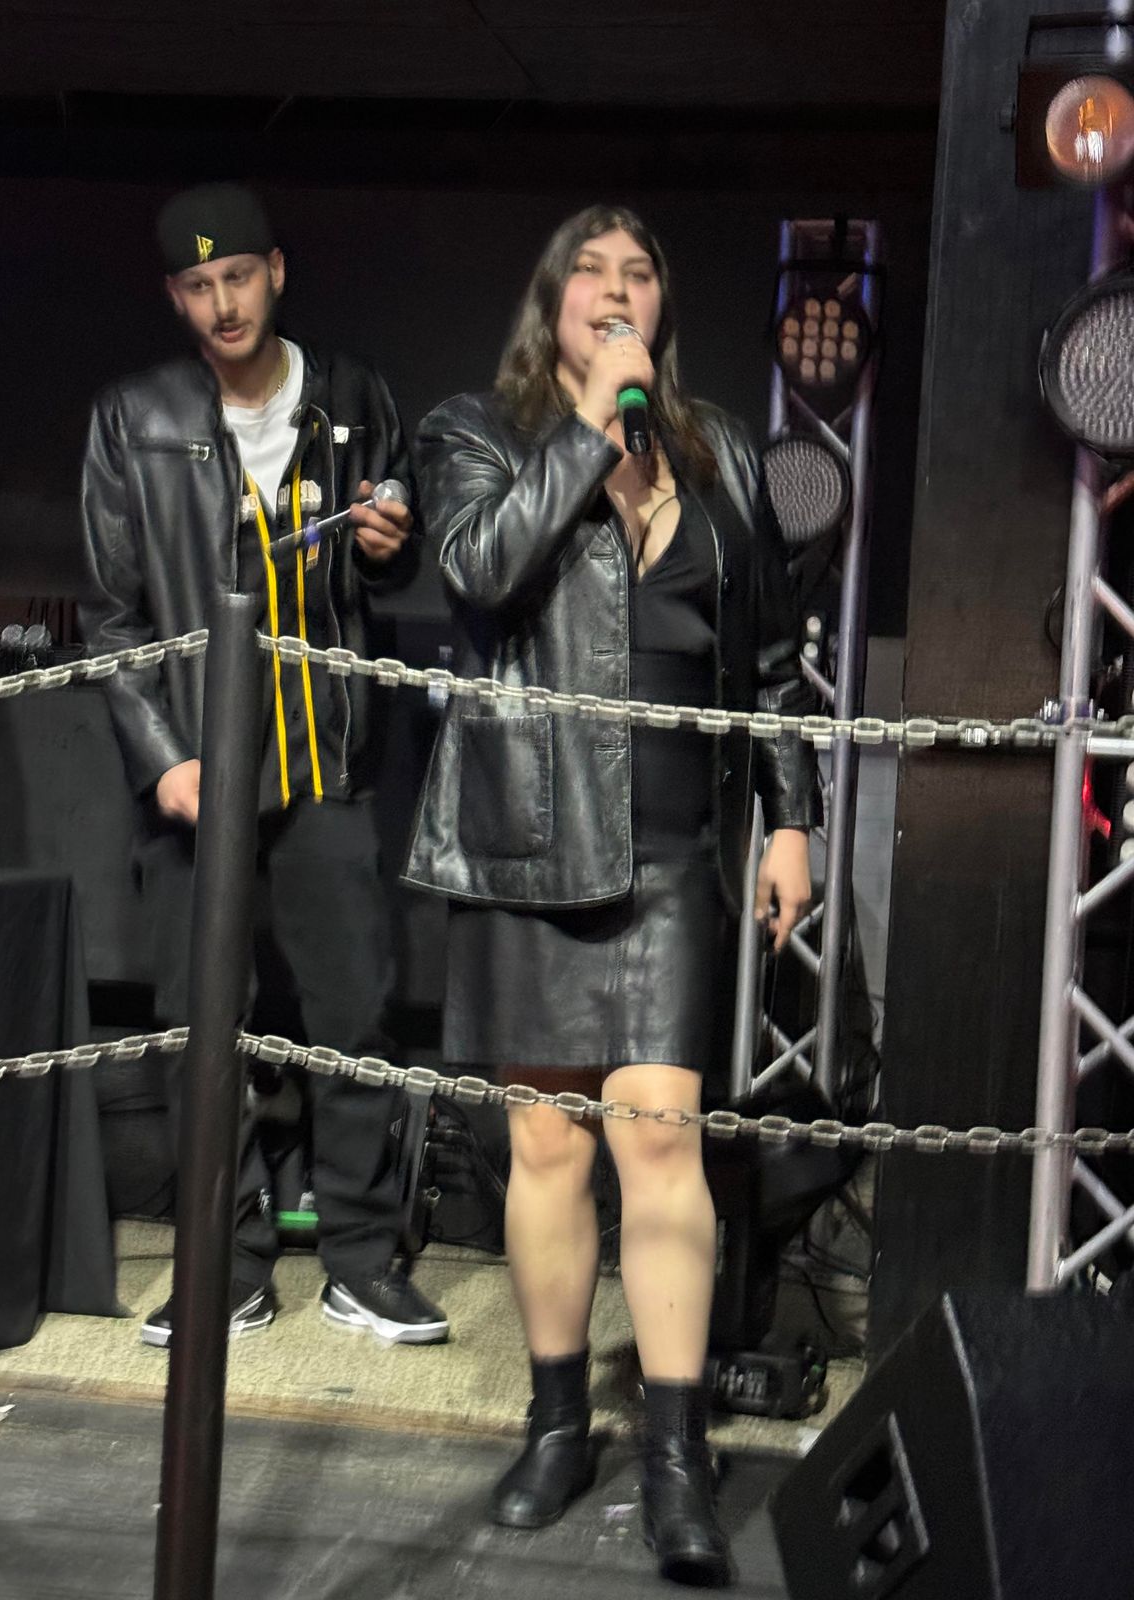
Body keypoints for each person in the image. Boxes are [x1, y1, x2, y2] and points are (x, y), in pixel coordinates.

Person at [403, 205, 820, 1586]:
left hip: (674, 846)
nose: (619, 290)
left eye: (641, 272)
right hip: (531, 835)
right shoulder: (478, 432)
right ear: (553, 304)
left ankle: (678, 1455)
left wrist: (793, 818)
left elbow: (770, 657)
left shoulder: (723, 453)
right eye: (592, 273)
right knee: (546, 1146)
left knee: (661, 1138)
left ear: (665, 305)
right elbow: (480, 568)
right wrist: (588, 427)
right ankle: (556, 1423)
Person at [79, 182, 448, 1351]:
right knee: (202, 1022)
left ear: (275, 272)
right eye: (198, 285)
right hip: (198, 763)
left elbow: (394, 564)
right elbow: (111, 619)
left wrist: (390, 543)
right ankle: (224, 1264)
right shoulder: (132, 416)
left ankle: (360, 1260)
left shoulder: (353, 395)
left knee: (354, 1013)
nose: (223, 302)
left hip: (324, 752)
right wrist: (162, 759)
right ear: (174, 296)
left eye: (238, 275)